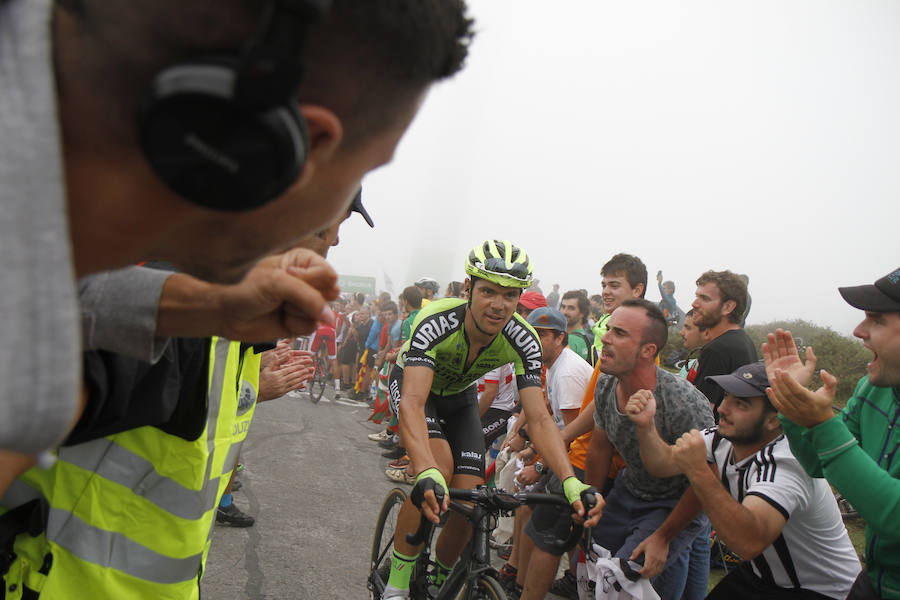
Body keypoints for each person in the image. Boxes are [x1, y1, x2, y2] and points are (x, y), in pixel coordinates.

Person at [0, 0, 475, 473]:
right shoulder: (29, 382)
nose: (329, 236)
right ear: (289, 144)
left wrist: (205, 307)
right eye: (363, 170)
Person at [381, 240, 601, 599]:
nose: (499, 305)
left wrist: (569, 481)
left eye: (510, 295)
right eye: (488, 292)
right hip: (416, 389)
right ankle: (397, 584)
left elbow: (541, 419)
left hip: (460, 397)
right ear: (468, 289)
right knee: (438, 470)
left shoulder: (523, 339)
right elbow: (414, 402)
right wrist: (424, 469)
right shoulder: (435, 320)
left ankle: (441, 580)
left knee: (471, 502)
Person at [625, 361, 860, 599]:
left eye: (741, 404)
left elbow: (748, 542)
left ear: (773, 420)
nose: (723, 409)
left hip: (823, 589)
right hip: (766, 575)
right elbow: (661, 464)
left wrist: (698, 470)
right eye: (726, 397)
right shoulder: (724, 439)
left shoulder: (785, 462)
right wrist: (646, 427)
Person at [560, 299, 714, 600]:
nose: (605, 337)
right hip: (632, 489)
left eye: (619, 333)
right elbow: (600, 447)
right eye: (609, 329)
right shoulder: (606, 383)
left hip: (677, 502)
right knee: (594, 561)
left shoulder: (684, 403)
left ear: (648, 351)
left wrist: (665, 537)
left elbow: (706, 482)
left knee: (628, 577)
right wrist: (591, 496)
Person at [763, 268, 900, 599]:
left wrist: (824, 423)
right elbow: (816, 464)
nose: (858, 330)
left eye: (877, 319)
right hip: (876, 581)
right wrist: (793, 405)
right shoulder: (874, 390)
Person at [514, 307, 593, 600]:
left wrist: (541, 464)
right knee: (558, 523)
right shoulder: (552, 365)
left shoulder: (567, 372)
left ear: (561, 338)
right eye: (531, 333)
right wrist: (535, 448)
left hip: (576, 460)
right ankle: (571, 579)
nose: (535, 340)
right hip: (566, 454)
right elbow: (555, 422)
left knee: (539, 526)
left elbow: (576, 433)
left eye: (542, 335)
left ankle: (519, 586)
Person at [690, 270, 757, 415]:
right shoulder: (744, 341)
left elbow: (701, 414)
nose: (694, 304)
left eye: (705, 299)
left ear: (728, 307)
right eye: (696, 297)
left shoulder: (717, 350)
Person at [591, 253, 647, 356]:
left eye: (614, 286)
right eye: (604, 286)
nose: (605, 292)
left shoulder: (641, 339)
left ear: (637, 290)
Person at [559, 290, 596, 364]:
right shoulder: (586, 337)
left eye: (571, 308)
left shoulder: (570, 340)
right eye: (563, 307)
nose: (565, 312)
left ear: (582, 313)